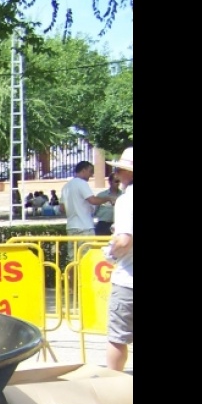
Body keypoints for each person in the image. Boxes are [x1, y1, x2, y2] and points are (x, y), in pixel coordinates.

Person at [104, 148, 133, 372]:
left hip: (128, 281)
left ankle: (113, 390)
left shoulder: (127, 200)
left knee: (118, 338)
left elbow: (124, 241)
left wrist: (111, 252)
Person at [60, 161, 106, 236]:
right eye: (90, 171)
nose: (91, 175)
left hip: (71, 228)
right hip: (85, 228)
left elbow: (62, 208)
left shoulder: (66, 187)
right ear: (83, 170)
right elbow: (93, 200)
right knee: (88, 248)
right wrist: (107, 198)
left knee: (73, 248)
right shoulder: (82, 183)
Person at [93, 171, 121, 235]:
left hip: (117, 224)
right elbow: (95, 210)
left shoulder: (123, 195)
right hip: (103, 224)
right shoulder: (101, 195)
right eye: (116, 181)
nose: (118, 183)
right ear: (110, 182)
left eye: (119, 181)